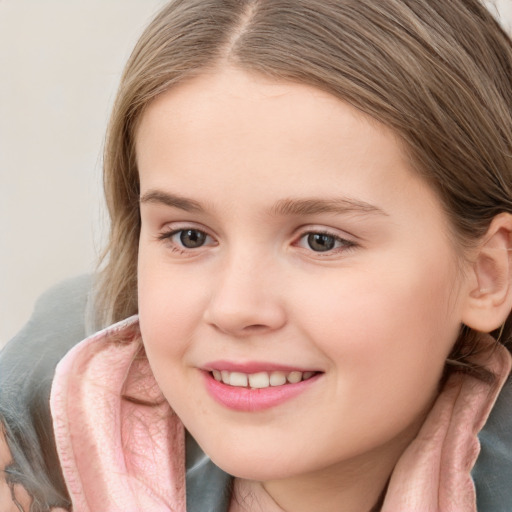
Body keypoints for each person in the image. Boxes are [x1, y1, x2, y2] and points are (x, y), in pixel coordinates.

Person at [2, 0, 512, 510]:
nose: (235, 308)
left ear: (487, 275)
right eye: (189, 236)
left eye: (321, 241)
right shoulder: (33, 439)